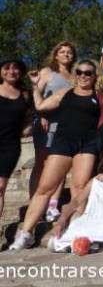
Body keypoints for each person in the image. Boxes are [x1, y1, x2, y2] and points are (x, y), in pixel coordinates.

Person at [10, 59, 102, 250]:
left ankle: (75, 232)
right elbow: (41, 106)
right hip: (63, 142)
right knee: (45, 188)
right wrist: (36, 87)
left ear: (94, 76)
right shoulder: (65, 92)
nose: (83, 76)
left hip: (87, 144)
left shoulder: (98, 95)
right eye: (80, 72)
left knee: (79, 189)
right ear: (75, 74)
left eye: (88, 73)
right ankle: (26, 233)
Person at [49, 143, 103, 240]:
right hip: (99, 222)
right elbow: (77, 201)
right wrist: (61, 221)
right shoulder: (98, 180)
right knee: (76, 216)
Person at [30, 41, 76, 222]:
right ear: (55, 55)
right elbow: (37, 94)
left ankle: (52, 205)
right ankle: (35, 204)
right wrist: (41, 114)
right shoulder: (47, 73)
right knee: (41, 163)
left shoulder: (74, 77)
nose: (66, 54)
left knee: (61, 165)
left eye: (69, 52)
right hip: (46, 123)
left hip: (66, 126)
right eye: (62, 51)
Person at [0, 58, 31, 219]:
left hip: (10, 146)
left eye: (16, 68)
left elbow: (30, 117)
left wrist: (29, 126)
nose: (11, 71)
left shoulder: (25, 95)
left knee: (0, 187)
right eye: (7, 68)